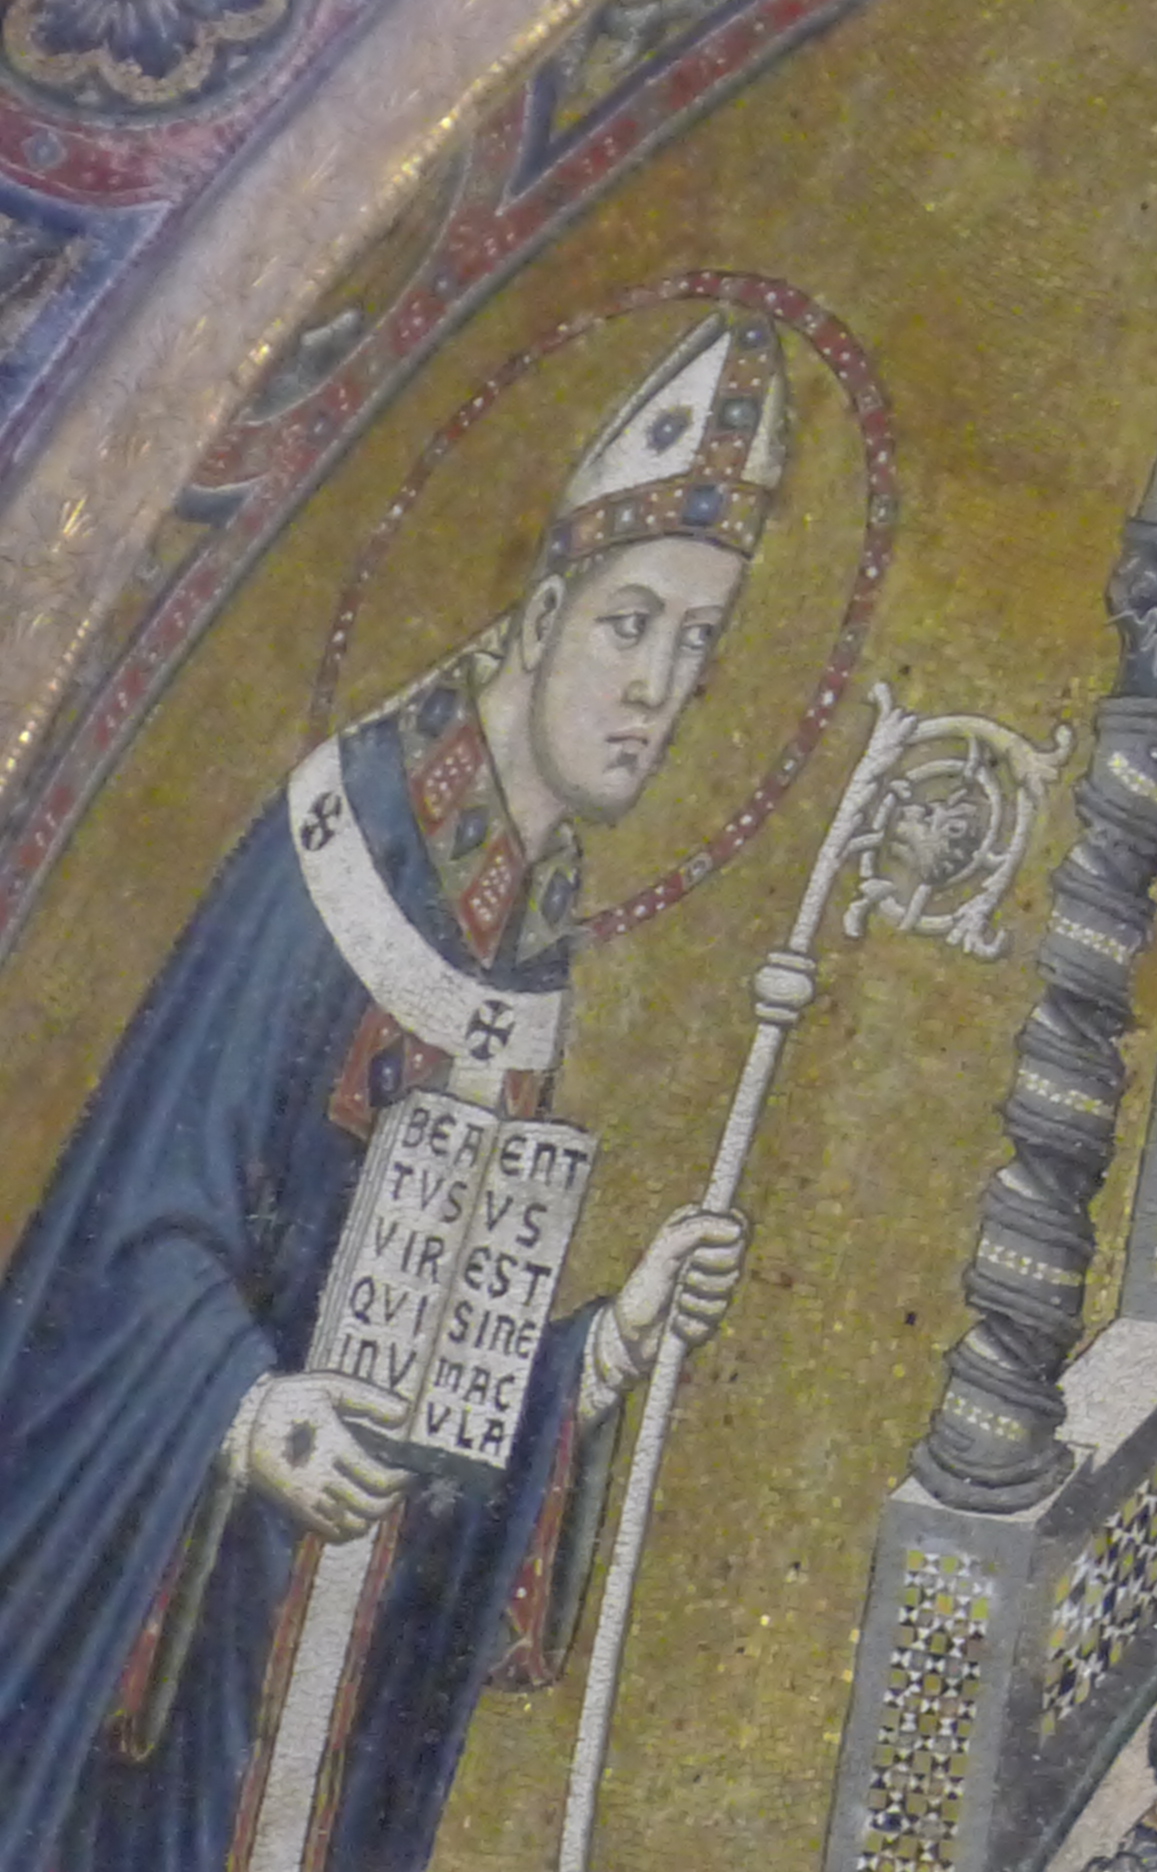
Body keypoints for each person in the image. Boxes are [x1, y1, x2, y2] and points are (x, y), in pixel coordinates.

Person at [0, 314, 777, 1872]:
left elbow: (428, 1369)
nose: (655, 688)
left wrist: (601, 1351)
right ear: (544, 612)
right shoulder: (335, 851)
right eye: (631, 624)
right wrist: (244, 1411)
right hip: (192, 1628)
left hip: (336, 1670)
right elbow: (129, 1234)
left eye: (698, 645)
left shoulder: (526, 927)